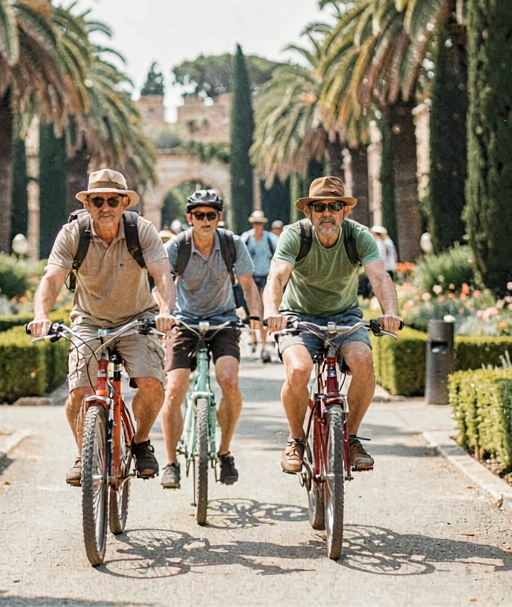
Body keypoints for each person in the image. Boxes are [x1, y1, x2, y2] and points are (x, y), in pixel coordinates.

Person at [27, 169, 177, 486]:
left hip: (137, 319)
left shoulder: (142, 230)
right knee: (80, 391)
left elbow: (162, 275)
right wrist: (41, 314)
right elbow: (52, 278)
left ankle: (140, 441)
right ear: (88, 203)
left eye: (112, 200)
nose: (105, 207)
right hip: (88, 321)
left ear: (124, 202)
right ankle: (84, 454)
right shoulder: (73, 233)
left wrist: (165, 311)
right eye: (97, 200)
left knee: (152, 384)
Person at [262, 176, 402, 473]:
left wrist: (390, 311)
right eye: (320, 207)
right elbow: (277, 276)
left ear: (344, 211)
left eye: (334, 206)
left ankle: (350, 437)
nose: (327, 213)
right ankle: (296, 440)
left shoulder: (358, 237)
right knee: (298, 369)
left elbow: (379, 276)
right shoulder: (295, 235)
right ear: (309, 212)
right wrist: (272, 311)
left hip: (345, 315)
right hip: (298, 316)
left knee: (363, 361)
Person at [159, 190, 263, 488]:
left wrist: (255, 316)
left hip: (224, 320)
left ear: (219, 217)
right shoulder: (176, 246)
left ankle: (225, 452)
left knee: (229, 381)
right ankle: (170, 462)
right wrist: (165, 312)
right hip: (184, 321)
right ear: (190, 218)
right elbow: (163, 283)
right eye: (199, 215)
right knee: (175, 387)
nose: (205, 220)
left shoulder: (232, 244)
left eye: (211, 215)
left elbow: (248, 285)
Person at [240, 209, 277, 356]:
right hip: (251, 279)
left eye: (260, 223)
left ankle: (263, 345)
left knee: (264, 310)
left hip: (266, 278)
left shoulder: (271, 239)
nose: (258, 226)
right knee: (251, 311)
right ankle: (254, 338)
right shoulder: (246, 238)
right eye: (255, 223)